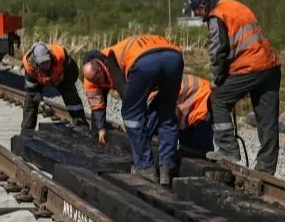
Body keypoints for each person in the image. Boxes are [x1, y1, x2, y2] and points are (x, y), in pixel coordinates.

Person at [187, 0, 281, 175]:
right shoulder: (232, 5)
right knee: (267, 120)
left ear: (203, 6)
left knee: (218, 99)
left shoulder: (216, 16)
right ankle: (266, 168)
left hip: (250, 67)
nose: (197, 15)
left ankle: (228, 150)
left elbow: (217, 51)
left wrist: (218, 78)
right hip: (270, 66)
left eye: (196, 11)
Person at [82, 34, 184, 184]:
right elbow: (97, 104)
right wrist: (100, 128)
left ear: (99, 65)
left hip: (146, 62)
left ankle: (145, 167)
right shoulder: (92, 76)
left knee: (130, 114)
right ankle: (167, 168)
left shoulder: (110, 60)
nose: (100, 80)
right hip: (174, 58)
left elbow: (127, 95)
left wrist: (141, 125)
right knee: (167, 111)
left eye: (100, 76)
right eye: (96, 79)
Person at [84, 69, 214, 161]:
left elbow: (157, 121)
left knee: (199, 153)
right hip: (188, 107)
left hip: (202, 103)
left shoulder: (152, 95)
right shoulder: (147, 89)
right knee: (186, 149)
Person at [21, 42, 88, 131]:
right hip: (39, 79)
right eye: (43, 63)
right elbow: (32, 90)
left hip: (59, 76)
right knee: (30, 100)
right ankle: (27, 132)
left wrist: (63, 81)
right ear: (36, 62)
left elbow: (74, 72)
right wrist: (42, 103)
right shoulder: (29, 67)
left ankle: (81, 125)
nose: (46, 65)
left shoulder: (60, 56)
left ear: (50, 55)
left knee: (70, 94)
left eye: (47, 61)